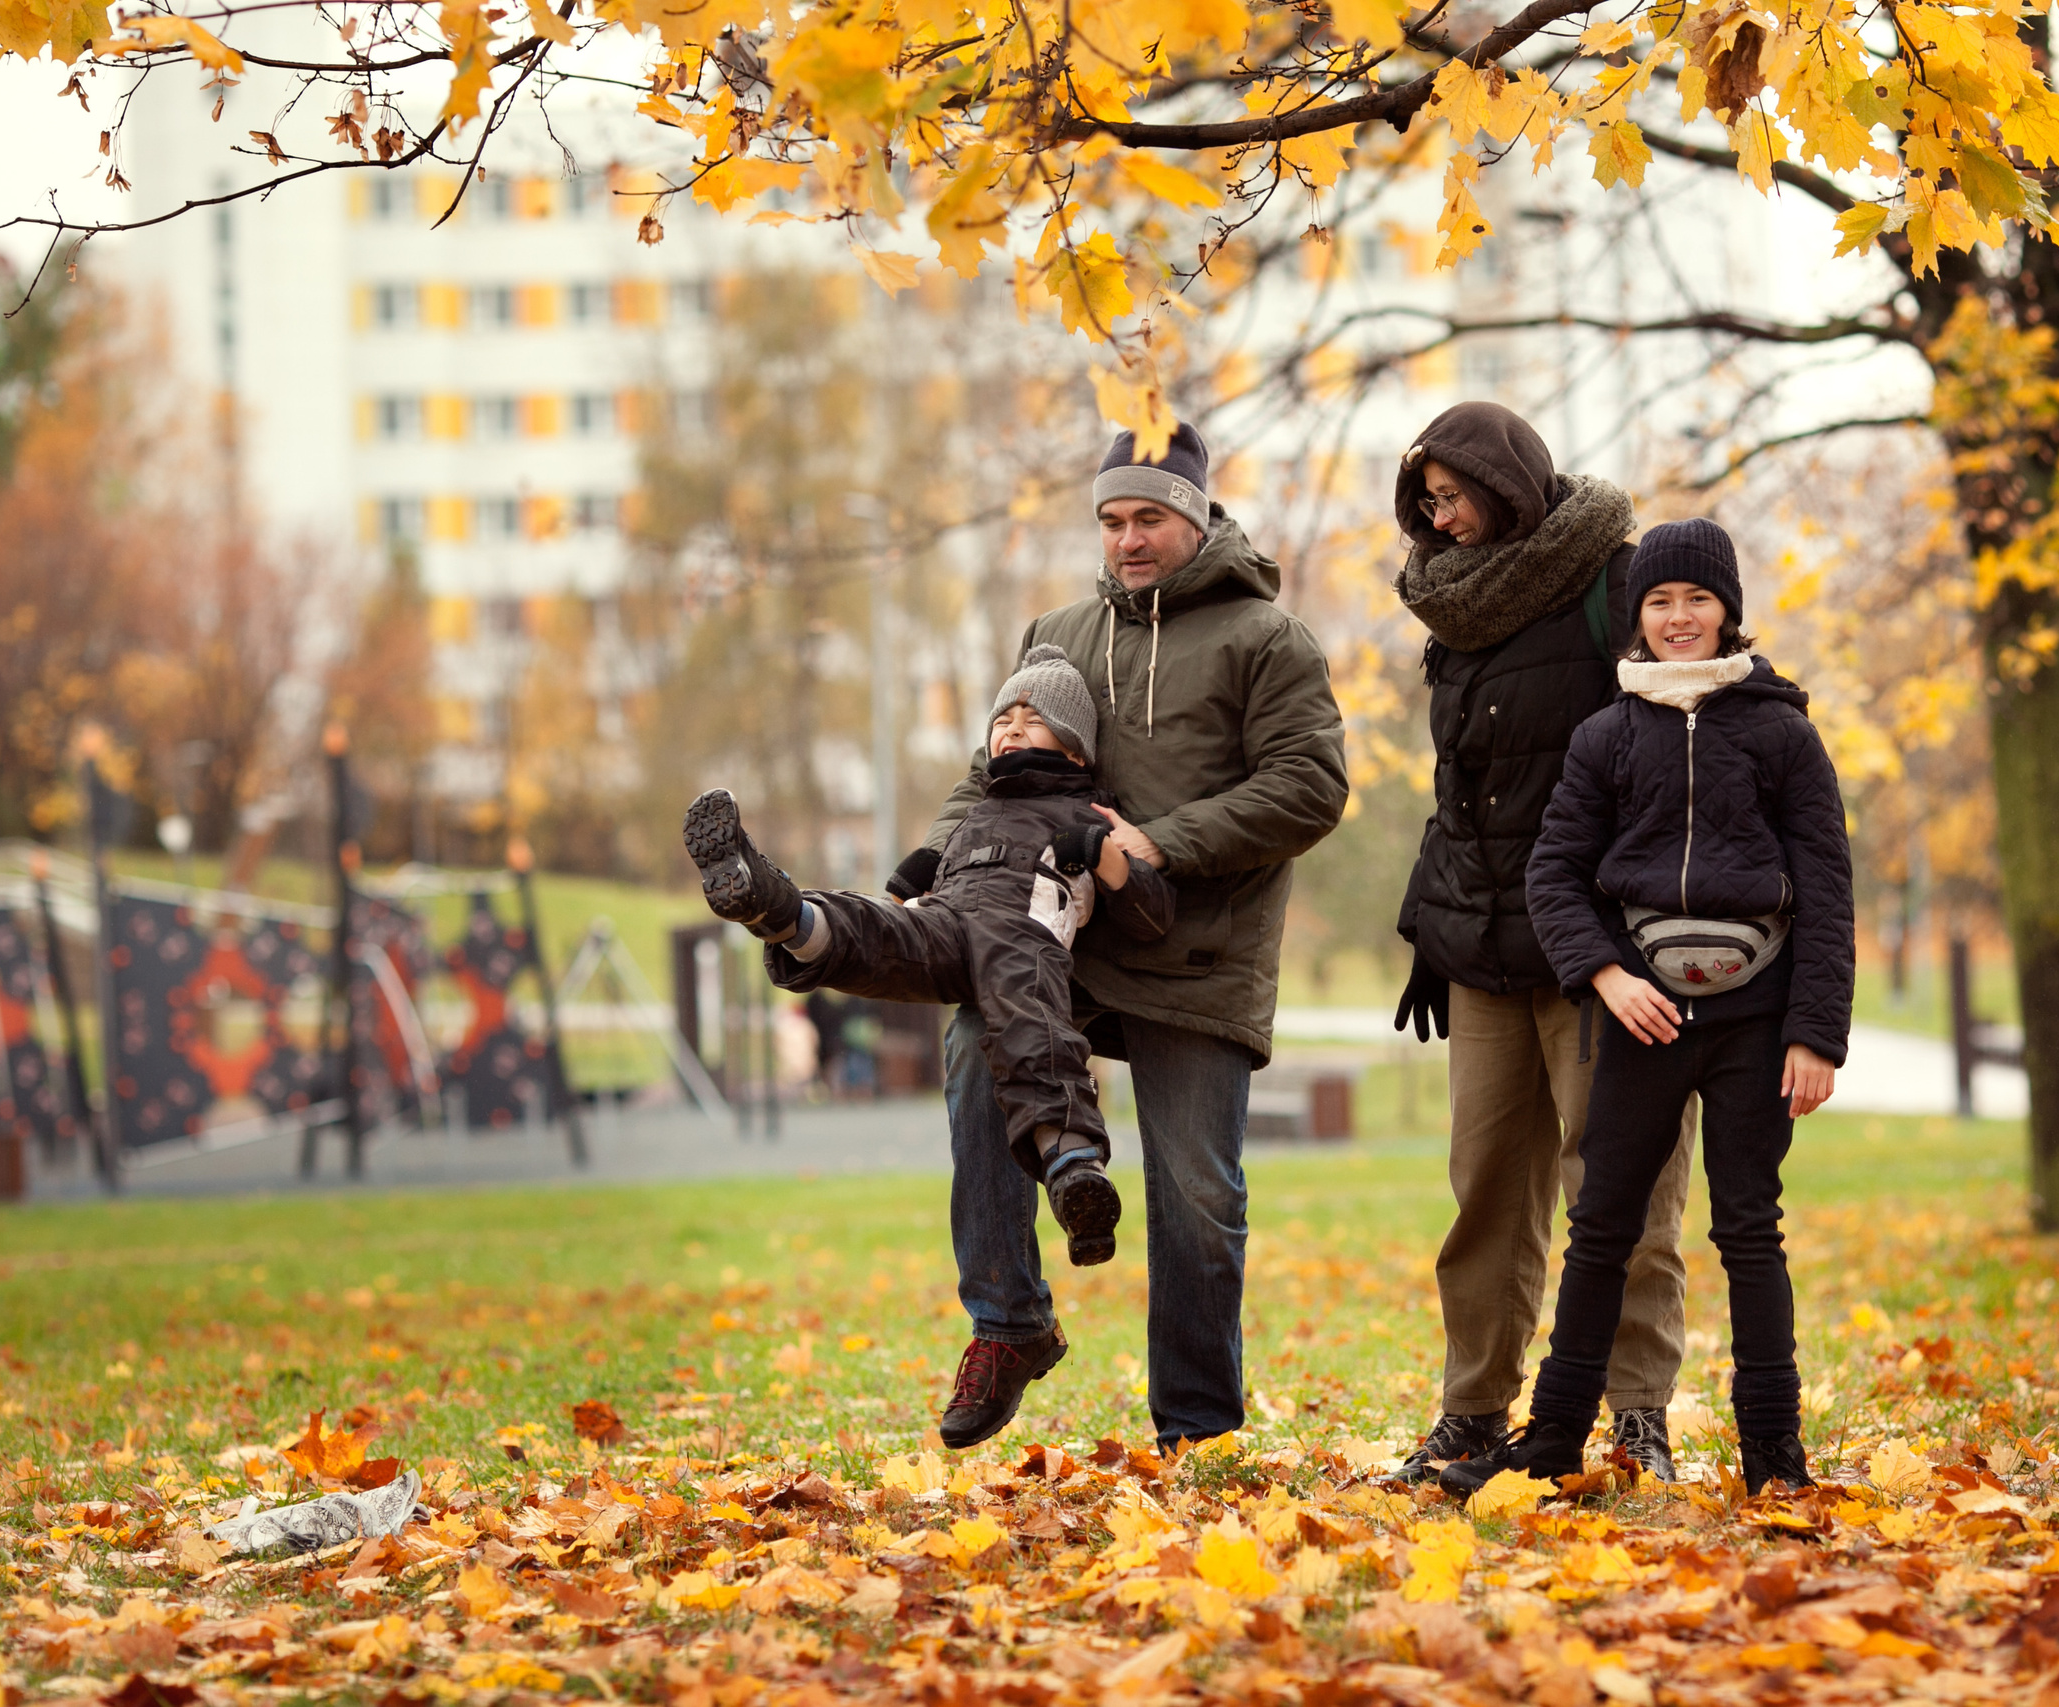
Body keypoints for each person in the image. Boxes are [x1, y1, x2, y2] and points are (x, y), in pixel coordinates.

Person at [906, 422, 1348, 1453]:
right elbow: (994, 767)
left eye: (1149, 518)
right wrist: (936, 866)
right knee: (976, 1050)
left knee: (1197, 1192)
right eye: (1111, 521)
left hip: (1202, 955)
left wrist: (1155, 845)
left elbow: (1309, 786)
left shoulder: (1267, 641)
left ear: (1194, 520)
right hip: (1057, 947)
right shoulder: (1057, 633)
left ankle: (1195, 1428)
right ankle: (1009, 1324)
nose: (1127, 540)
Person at [1441, 518, 1854, 1500]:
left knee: (1749, 1228)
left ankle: (1773, 1458)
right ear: (1637, 616)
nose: (1678, 618)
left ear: (1727, 611)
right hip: (1640, 1017)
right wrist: (1605, 976)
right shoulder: (1606, 735)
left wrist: (1814, 1033)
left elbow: (1828, 891)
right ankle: (1549, 1444)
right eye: (1661, 602)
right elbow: (1556, 876)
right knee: (1603, 1228)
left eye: (1696, 600)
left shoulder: (1781, 730)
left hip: (1756, 1021)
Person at [1385, 403, 1698, 1485]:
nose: (1443, 516)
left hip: (1606, 950)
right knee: (1484, 1192)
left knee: (1622, 1184)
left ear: (1508, 480)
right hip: (1480, 947)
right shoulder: (1453, 610)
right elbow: (1464, 789)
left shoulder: (1612, 582)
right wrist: (1435, 927)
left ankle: (1636, 1418)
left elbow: (1695, 729)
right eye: (1427, 501)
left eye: (1456, 493)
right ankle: (1472, 1415)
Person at [683, 643, 1177, 1265]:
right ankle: (778, 909)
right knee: (874, 931)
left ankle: (1073, 1161)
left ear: (1076, 749)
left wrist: (1102, 854)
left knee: (1030, 1023)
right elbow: (924, 880)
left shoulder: (1087, 811)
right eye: (1002, 720)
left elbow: (1153, 911)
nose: (1012, 728)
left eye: (1033, 719)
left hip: (1021, 933)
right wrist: (919, 874)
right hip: (948, 922)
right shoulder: (975, 813)